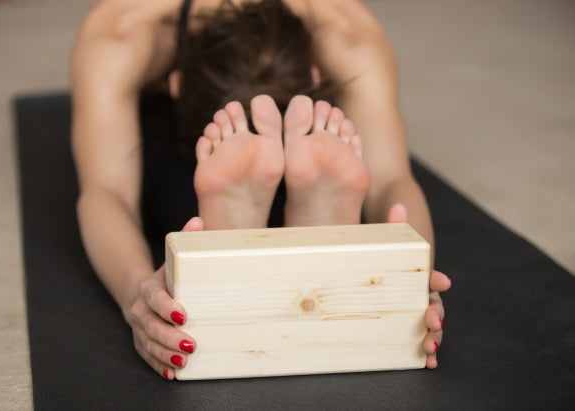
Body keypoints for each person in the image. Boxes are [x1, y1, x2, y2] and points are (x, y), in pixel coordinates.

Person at [70, 0, 451, 380]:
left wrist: (414, 275)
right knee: (266, 159)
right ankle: (312, 232)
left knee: (182, 201)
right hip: (282, 142)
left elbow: (107, 192)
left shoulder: (116, 35)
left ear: (176, 83)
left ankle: (238, 233)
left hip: (255, 154)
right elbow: (392, 180)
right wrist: (412, 264)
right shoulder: (350, 34)